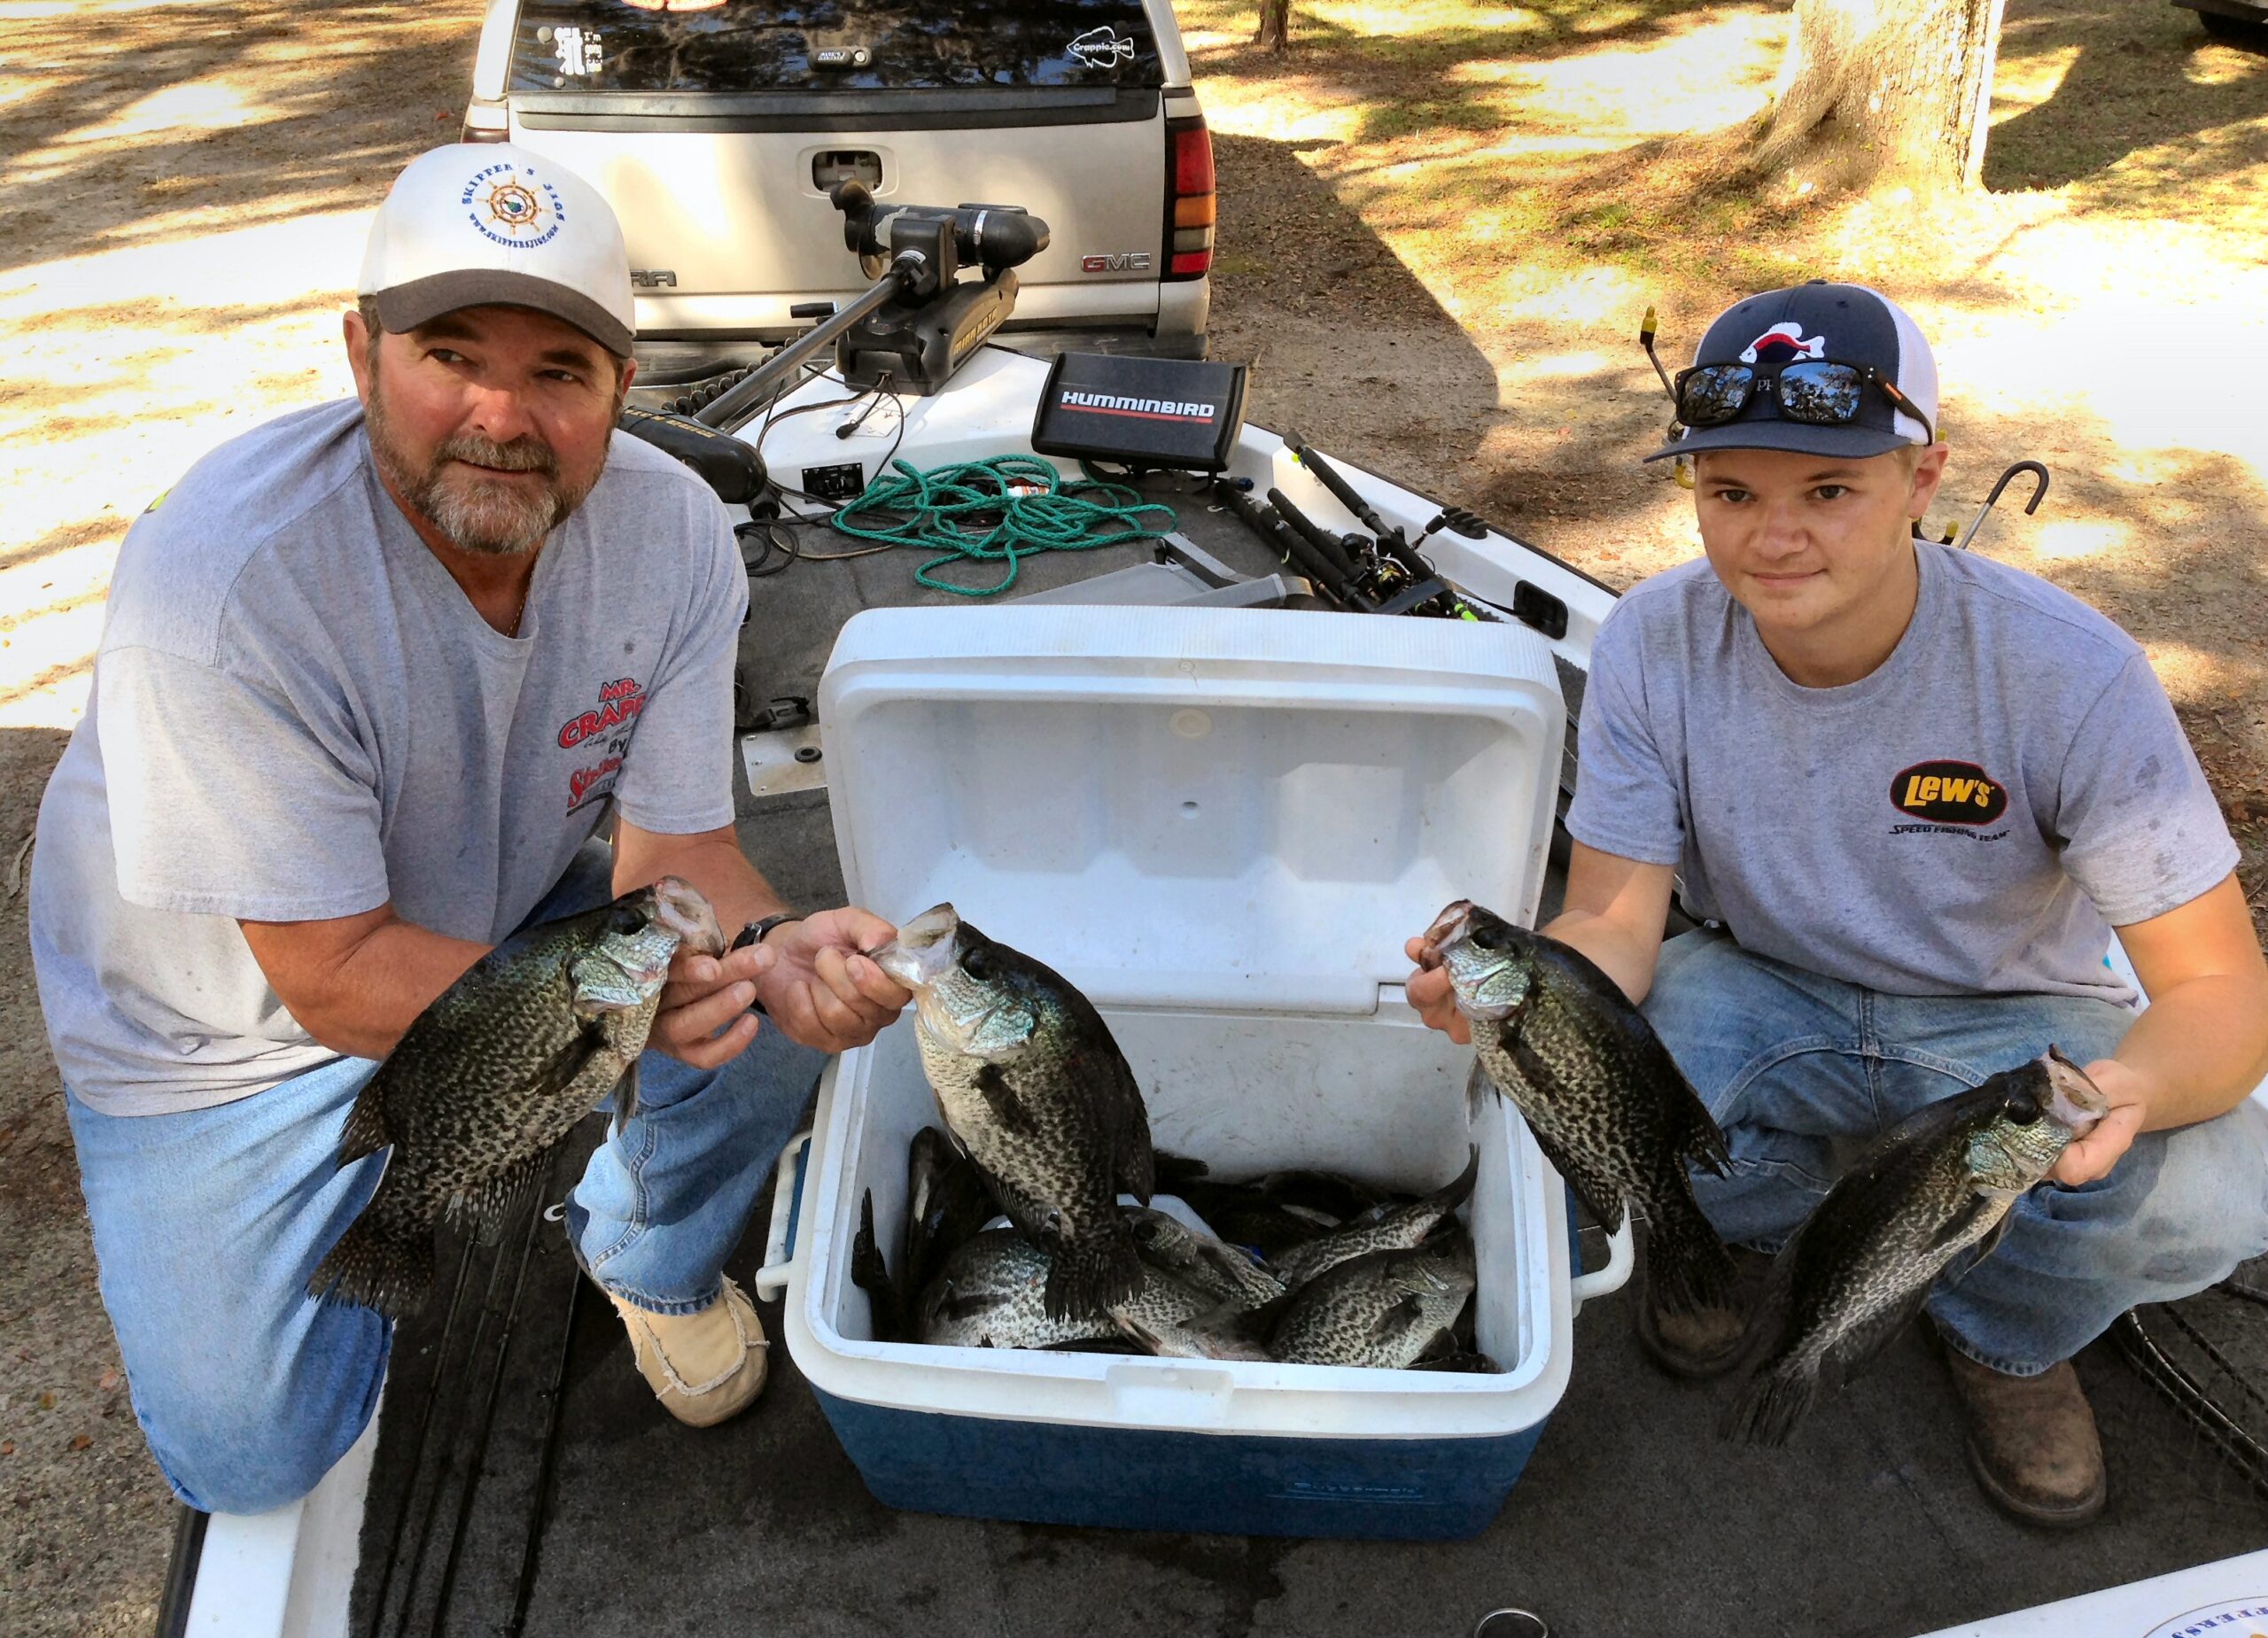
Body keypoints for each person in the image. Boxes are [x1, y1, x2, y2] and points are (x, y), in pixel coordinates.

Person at [27, 144, 911, 1517]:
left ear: (622, 387)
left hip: (497, 914)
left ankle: (640, 1247)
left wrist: (773, 946)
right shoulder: (226, 589)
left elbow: (680, 864)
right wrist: (620, 1011)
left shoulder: (672, 530)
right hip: (224, 1030)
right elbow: (327, 973)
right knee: (248, 1453)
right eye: (450, 355)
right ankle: (382, 1181)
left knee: (763, 1023)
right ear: (361, 352)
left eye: (560, 370)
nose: (501, 417)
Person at [1407, 282, 2268, 1527]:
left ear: (1924, 480)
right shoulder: (1655, 641)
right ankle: (1760, 1226)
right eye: (1731, 493)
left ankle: (2003, 1332)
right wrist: (1525, 997)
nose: (1773, 537)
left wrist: (2130, 1094)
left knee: (2217, 1182)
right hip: (1765, 987)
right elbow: (1614, 923)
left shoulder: (2070, 672)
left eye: (1829, 490)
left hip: (2009, 1024)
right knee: (1584, 1094)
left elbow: (2220, 992)